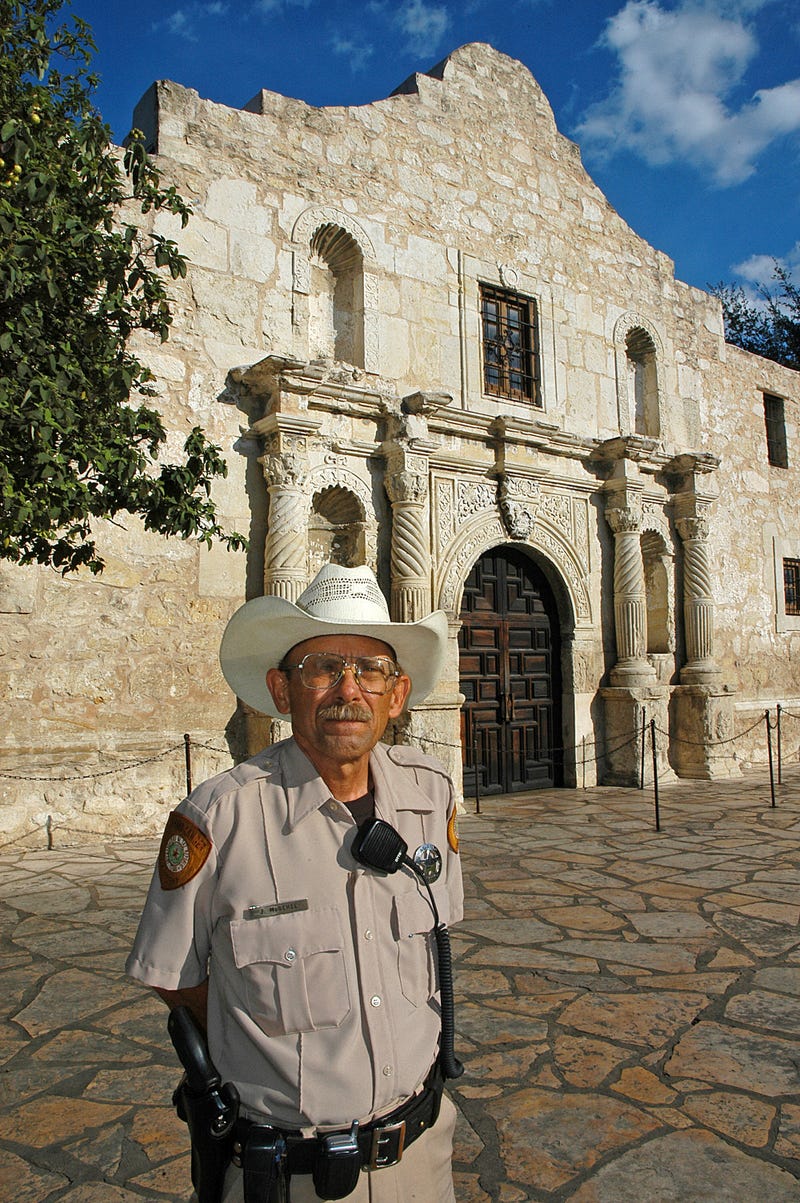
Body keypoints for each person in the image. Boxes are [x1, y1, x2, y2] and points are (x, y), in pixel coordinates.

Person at [126, 563, 463, 1203]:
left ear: (397, 695)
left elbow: (433, 943)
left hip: (422, 1157)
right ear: (283, 691)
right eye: (322, 668)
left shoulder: (429, 796)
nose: (348, 690)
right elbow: (177, 978)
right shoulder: (219, 820)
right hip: (292, 1177)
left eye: (370, 670)